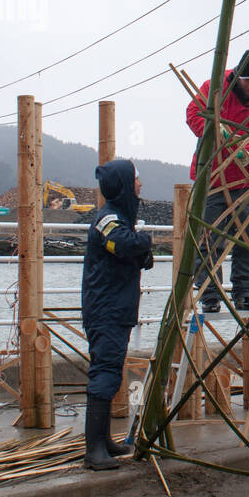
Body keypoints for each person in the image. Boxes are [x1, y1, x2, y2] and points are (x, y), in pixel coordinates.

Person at [81, 159, 154, 470]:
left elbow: (136, 256)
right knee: (105, 373)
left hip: (116, 307)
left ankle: (104, 441)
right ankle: (94, 450)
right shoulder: (108, 219)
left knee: (110, 370)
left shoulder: (118, 217)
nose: (140, 185)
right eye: (136, 180)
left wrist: (141, 250)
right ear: (125, 184)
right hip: (106, 309)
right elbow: (124, 246)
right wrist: (146, 240)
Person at [186, 46, 249, 313]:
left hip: (246, 180)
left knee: (248, 239)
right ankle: (210, 294)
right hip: (211, 176)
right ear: (238, 75)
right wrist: (216, 132)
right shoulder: (215, 86)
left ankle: (245, 293)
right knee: (209, 239)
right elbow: (193, 114)